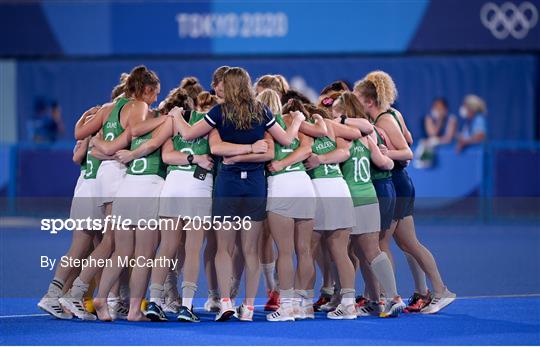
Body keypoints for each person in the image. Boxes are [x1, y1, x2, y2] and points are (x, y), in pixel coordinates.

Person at [169, 67, 304, 322]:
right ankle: (249, 308)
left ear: (227, 86)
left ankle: (226, 302)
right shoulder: (261, 111)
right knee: (251, 250)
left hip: (228, 184)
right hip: (254, 184)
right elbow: (285, 141)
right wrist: (296, 121)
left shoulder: (219, 112)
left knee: (224, 248)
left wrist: (177, 115)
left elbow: (188, 134)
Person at [354, 70, 456, 315]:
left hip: (396, 183)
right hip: (400, 181)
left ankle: (392, 297)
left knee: (383, 243)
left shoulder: (384, 120)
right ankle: (431, 291)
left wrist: (385, 153)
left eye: (358, 98)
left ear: (370, 99)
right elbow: (408, 137)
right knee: (408, 243)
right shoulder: (394, 114)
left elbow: (407, 151)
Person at [37, 106, 102, 319]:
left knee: (83, 252)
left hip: (83, 190)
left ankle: (64, 296)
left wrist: (84, 124)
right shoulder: (107, 134)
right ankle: (52, 294)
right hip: (92, 193)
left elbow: (77, 158)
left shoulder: (90, 134)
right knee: (79, 249)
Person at [414, 98, 457, 168]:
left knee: (430, 142)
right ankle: (422, 159)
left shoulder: (452, 119)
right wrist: (439, 121)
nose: (438, 110)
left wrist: (435, 141)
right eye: (436, 107)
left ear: (446, 109)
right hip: (431, 144)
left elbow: (448, 139)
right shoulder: (428, 118)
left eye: (440, 108)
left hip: (446, 147)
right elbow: (433, 134)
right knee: (423, 143)